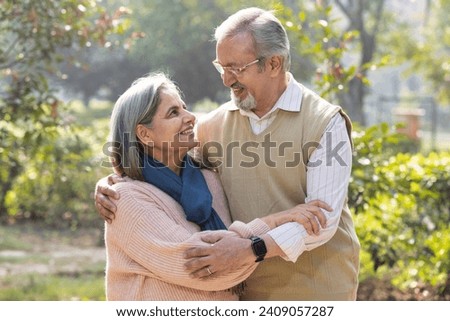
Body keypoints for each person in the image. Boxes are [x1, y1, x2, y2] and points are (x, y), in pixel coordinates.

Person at [96, 7, 360, 300]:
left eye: (236, 68)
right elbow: (157, 155)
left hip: (313, 288)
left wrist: (251, 249)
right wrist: (111, 184)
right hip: (242, 289)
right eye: (222, 67)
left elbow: (321, 222)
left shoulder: (325, 123)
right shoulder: (213, 126)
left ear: (273, 64)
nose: (226, 80)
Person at [101, 72, 330, 300]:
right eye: (173, 113)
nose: (190, 117)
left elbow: (228, 249)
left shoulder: (207, 179)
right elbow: (208, 268)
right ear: (144, 134)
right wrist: (276, 220)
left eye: (184, 107)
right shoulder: (124, 199)